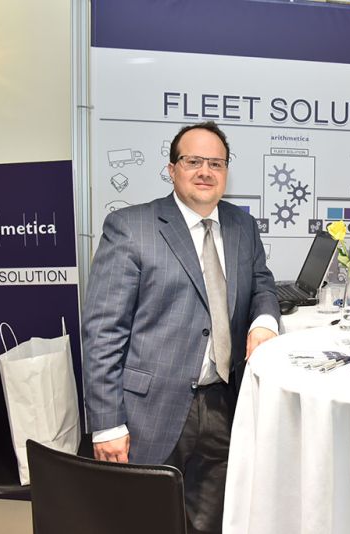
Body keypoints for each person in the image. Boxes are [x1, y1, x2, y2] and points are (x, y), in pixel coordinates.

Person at [82, 121, 280, 534]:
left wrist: (264, 323)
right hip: (149, 411)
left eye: (216, 163)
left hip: (224, 401)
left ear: (226, 172)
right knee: (143, 519)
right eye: (193, 161)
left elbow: (262, 283)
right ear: (172, 169)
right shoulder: (130, 227)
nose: (205, 171)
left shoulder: (242, 227)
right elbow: (103, 332)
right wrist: (107, 424)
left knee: (212, 518)